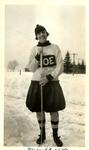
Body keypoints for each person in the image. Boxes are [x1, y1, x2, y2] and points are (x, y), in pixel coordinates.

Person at [26, 24, 66, 146]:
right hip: (37, 82)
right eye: (39, 34)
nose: (41, 35)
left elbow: (60, 66)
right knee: (39, 109)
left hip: (52, 82)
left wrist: (49, 77)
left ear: (46, 33)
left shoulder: (55, 48)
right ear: (36, 36)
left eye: (43, 32)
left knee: (54, 109)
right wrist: (37, 57)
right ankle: (42, 134)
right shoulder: (34, 49)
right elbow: (31, 68)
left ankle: (55, 136)